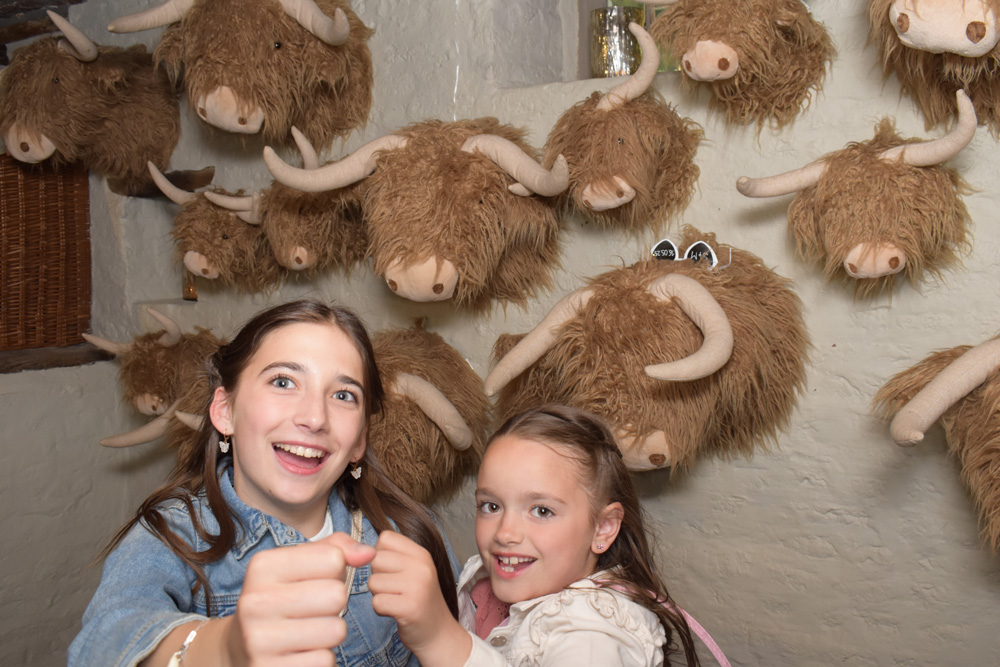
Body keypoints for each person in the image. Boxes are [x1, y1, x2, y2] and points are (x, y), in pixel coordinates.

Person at [68, 299, 459, 667]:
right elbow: (101, 644)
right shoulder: (170, 536)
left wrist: (439, 634)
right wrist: (222, 646)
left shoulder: (411, 535)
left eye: (343, 394)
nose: (314, 417)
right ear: (225, 411)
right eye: (284, 382)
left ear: (358, 440)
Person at [367, 404, 701, 666]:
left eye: (541, 511)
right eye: (491, 506)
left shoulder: (591, 637)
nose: (506, 533)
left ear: (603, 528)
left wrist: (439, 639)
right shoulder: (486, 578)